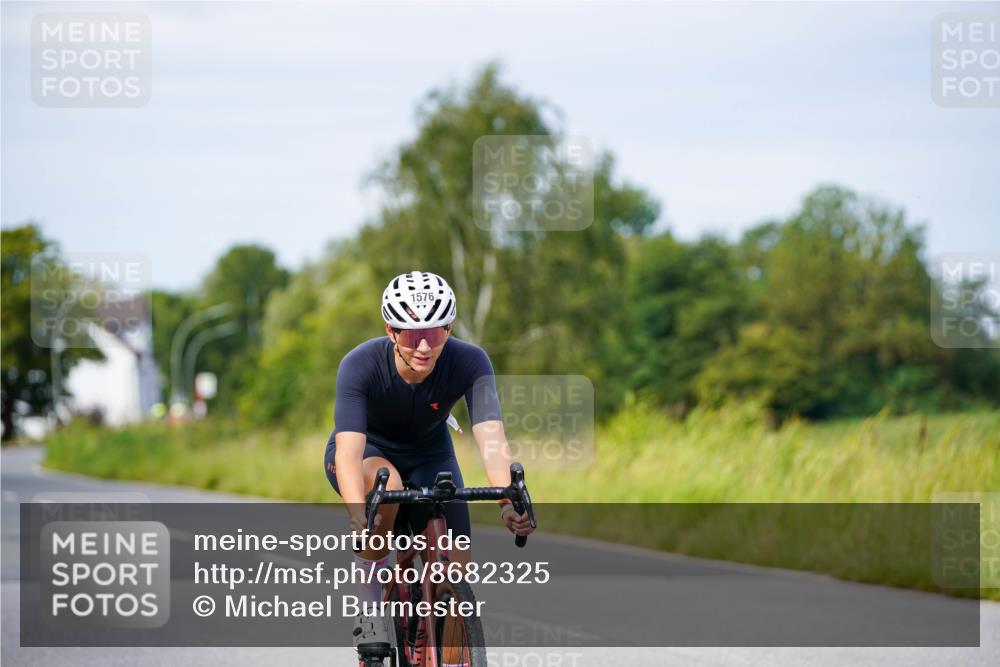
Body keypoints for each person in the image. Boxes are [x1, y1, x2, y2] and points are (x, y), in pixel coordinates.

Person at [324, 270, 534, 653]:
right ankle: (370, 610)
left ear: (449, 329)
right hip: (369, 453)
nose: (423, 346)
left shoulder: (471, 361)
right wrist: (357, 513)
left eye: (435, 334)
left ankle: (441, 645)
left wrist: (508, 502)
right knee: (385, 484)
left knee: (456, 573)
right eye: (410, 334)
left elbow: (491, 439)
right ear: (391, 332)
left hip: (431, 454)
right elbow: (349, 452)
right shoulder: (360, 365)